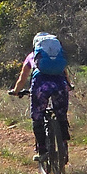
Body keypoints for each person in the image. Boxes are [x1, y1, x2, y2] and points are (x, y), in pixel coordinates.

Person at [8, 32, 72, 162]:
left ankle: (42, 150)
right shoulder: (57, 58)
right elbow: (65, 74)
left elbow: (22, 79)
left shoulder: (32, 56)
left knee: (37, 117)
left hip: (41, 85)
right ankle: (64, 146)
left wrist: (16, 91)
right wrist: (69, 86)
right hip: (60, 85)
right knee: (61, 116)